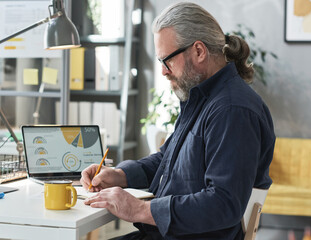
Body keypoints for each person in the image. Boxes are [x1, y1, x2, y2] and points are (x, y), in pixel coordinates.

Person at [80, 2, 275, 239]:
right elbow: (167, 159)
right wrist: (121, 175)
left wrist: (140, 209)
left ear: (199, 51)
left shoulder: (232, 110)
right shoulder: (203, 99)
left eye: (167, 60)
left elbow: (224, 204)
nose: (163, 71)